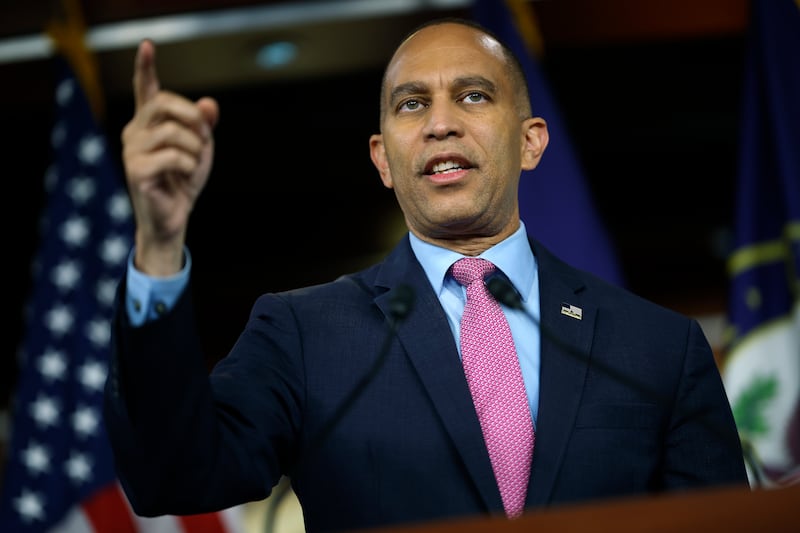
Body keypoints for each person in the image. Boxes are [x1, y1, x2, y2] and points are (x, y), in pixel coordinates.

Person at [104, 17, 749, 533]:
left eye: (473, 95)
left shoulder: (657, 348)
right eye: (412, 104)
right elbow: (175, 476)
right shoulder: (303, 332)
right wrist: (159, 246)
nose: (441, 122)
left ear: (530, 141)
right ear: (383, 159)